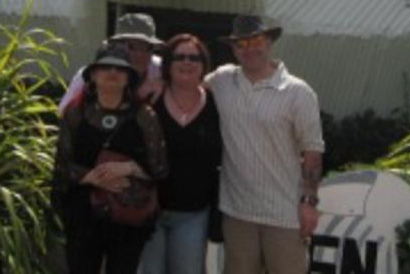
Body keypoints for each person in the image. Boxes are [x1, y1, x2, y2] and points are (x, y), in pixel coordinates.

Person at [204, 15, 325, 274]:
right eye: (241, 43)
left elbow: (312, 152)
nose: (249, 49)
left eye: (256, 40)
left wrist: (309, 202)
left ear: (269, 42)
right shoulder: (222, 80)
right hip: (237, 214)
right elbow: (186, 88)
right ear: (233, 49)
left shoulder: (298, 92)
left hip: (284, 214)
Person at [52, 43, 169, 274]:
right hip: (83, 216)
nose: (113, 73)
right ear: (93, 75)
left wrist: (130, 168)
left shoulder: (144, 115)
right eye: (106, 67)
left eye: (120, 69)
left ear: (129, 78)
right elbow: (61, 167)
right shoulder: (75, 113)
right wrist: (92, 177)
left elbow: (160, 168)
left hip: (127, 217)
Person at [140, 33, 222, 274]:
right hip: (149, 209)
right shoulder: (151, 99)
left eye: (194, 58)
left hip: (193, 213)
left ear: (203, 65)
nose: (187, 62)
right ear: (168, 63)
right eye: (180, 57)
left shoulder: (217, 104)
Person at [60, 12, 165, 114]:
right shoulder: (91, 74)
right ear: (117, 46)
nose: (140, 54)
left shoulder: (163, 69)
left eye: (147, 47)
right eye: (131, 47)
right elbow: (64, 111)